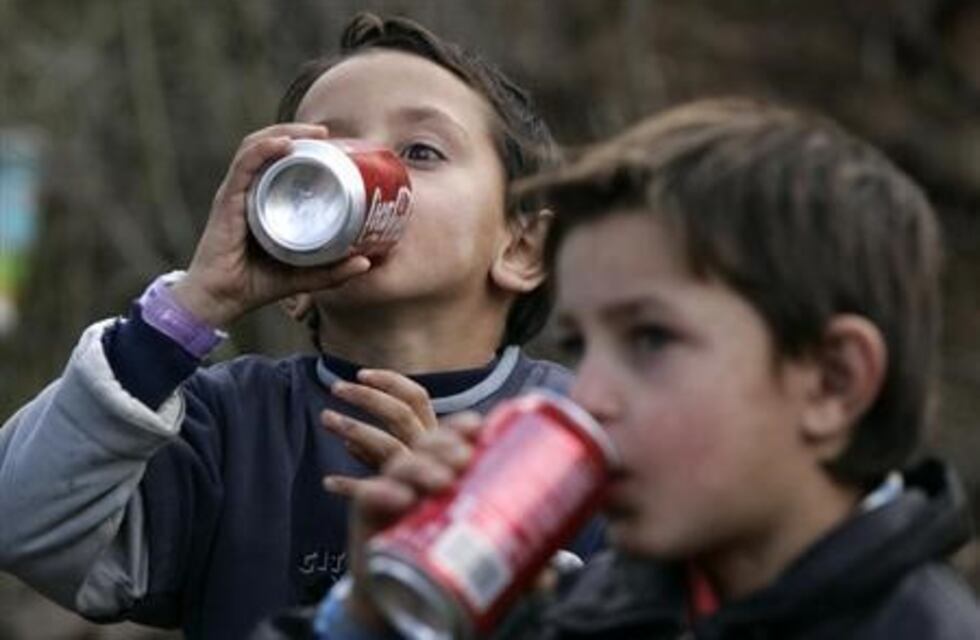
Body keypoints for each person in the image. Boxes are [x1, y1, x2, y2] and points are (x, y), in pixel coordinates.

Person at [0, 12, 605, 640]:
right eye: (323, 155)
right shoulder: (224, 424)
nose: (364, 171)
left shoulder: (580, 434)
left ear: (523, 247)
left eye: (420, 152)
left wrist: (471, 537)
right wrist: (194, 304)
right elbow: (22, 524)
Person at [290, 98, 980, 639]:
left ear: (834, 383)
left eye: (650, 340)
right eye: (581, 347)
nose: (588, 396)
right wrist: (378, 615)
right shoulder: (585, 611)